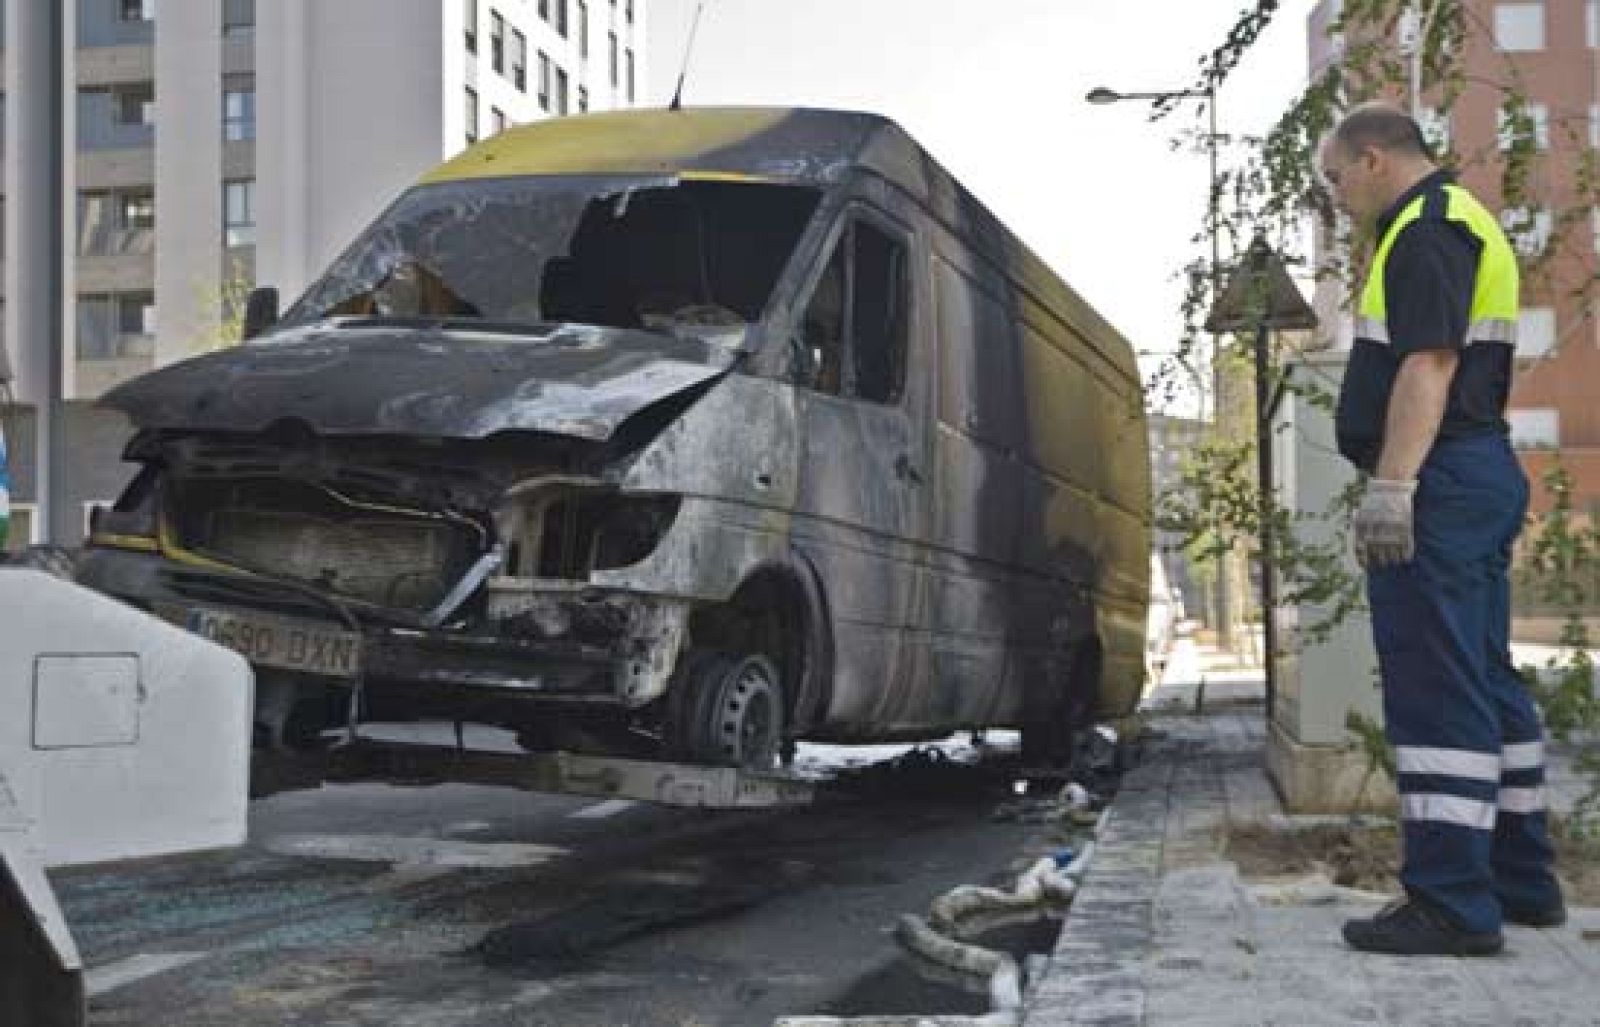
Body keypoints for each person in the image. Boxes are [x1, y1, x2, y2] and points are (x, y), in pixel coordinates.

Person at [1320, 102, 1564, 956]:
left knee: (1438, 684)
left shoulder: (1423, 229)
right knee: (1487, 679)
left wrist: (1392, 487)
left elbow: (1429, 363)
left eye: (1336, 174)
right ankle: (1519, 880)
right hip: (1473, 469)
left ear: (1376, 157)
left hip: (1439, 477)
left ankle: (1454, 902)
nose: (1335, 193)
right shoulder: (1465, 221)